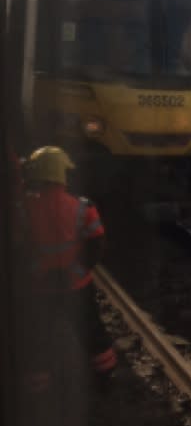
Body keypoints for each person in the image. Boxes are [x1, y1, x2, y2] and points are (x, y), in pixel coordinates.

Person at [24, 146, 117, 387]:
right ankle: (105, 374)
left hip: (41, 284)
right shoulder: (83, 207)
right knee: (90, 329)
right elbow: (97, 242)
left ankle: (38, 383)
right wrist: (79, 269)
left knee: (39, 334)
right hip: (77, 283)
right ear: (63, 174)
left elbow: (20, 245)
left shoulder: (25, 208)